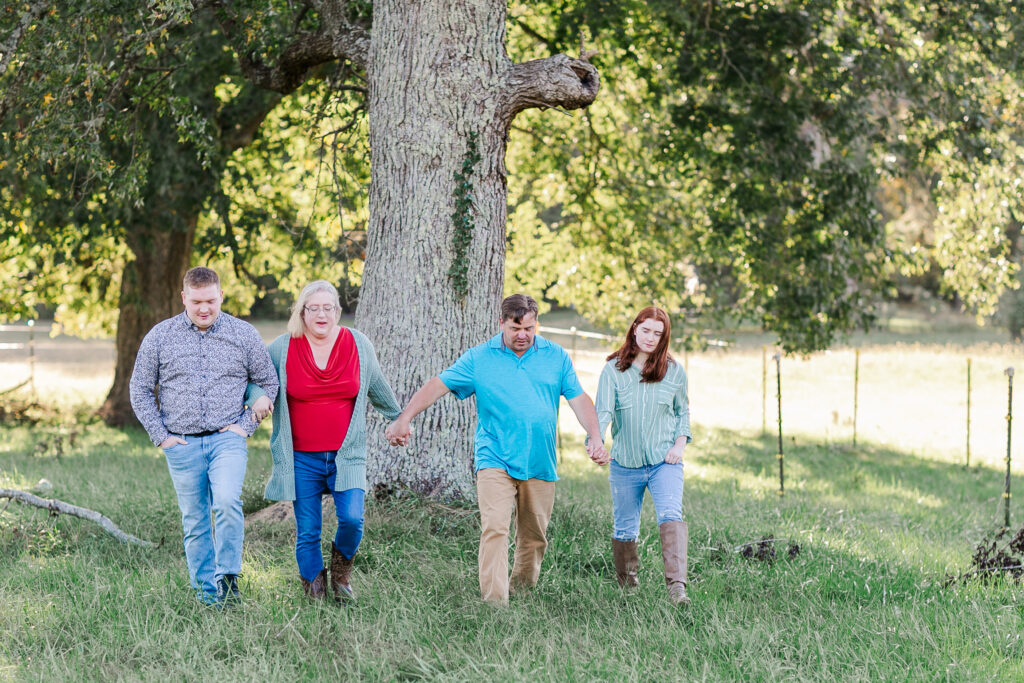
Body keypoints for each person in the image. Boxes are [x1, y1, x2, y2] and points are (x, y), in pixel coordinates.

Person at [385, 294, 608, 605]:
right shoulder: (480, 358)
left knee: (533, 537)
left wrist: (595, 436)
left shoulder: (555, 356)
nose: (522, 335)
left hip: (540, 461)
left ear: (536, 325)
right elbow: (439, 384)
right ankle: (495, 604)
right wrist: (404, 418)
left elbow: (578, 398)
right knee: (495, 528)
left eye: (529, 328)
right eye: (516, 328)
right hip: (494, 458)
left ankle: (522, 591)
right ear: (501, 323)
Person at [245, 280, 403, 602]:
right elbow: (256, 381)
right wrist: (259, 397)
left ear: (337, 312)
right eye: (312, 308)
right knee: (308, 531)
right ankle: (315, 593)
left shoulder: (358, 344)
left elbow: (378, 388)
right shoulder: (282, 348)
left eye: (327, 308)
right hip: (301, 457)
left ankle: (341, 576)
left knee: (352, 519)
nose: (320, 314)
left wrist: (398, 419)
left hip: (348, 455)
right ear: (301, 313)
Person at [130, 266, 278, 607]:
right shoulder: (160, 336)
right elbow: (138, 389)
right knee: (195, 519)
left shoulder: (243, 335)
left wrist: (245, 426)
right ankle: (206, 595)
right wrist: (162, 436)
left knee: (227, 502)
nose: (204, 309)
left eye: (210, 300)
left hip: (228, 437)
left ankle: (228, 582)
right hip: (180, 443)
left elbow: (268, 383)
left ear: (221, 296)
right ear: (184, 297)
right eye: (196, 301)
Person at [594, 306, 692, 605]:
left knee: (670, 515)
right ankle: (628, 587)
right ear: (635, 328)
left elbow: (683, 412)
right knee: (624, 527)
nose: (651, 338)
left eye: (658, 334)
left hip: (665, 462)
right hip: (625, 463)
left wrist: (678, 446)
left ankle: (677, 589)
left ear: (664, 338)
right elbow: (603, 411)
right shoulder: (613, 370)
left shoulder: (674, 372)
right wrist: (596, 442)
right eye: (646, 330)